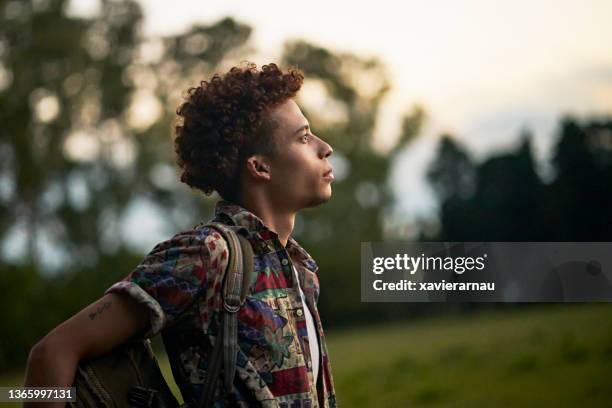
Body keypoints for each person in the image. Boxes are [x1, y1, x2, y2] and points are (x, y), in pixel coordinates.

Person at [24, 62, 337, 407]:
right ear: (259, 166)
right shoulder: (206, 254)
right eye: (303, 137)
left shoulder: (299, 268)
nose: (325, 147)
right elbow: (52, 352)